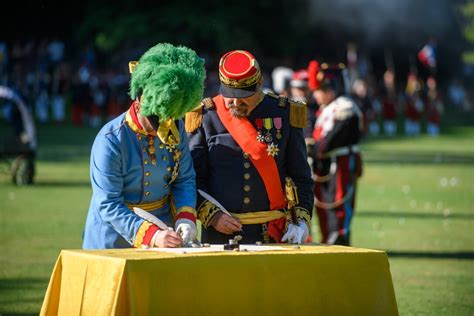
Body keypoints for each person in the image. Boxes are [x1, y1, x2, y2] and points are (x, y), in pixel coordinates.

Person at [82, 43, 206, 249]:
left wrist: (185, 217)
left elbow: (184, 178)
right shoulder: (111, 139)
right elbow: (108, 203)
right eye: (158, 117)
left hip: (165, 233)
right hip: (114, 236)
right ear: (138, 104)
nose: (165, 125)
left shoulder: (176, 126)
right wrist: (152, 236)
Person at [186, 50, 314, 244]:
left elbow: (301, 178)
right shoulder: (205, 116)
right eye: (229, 95)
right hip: (219, 235)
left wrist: (301, 222)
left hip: (271, 234)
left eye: (244, 95)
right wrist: (212, 216)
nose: (236, 103)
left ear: (260, 83)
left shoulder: (285, 113)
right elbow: (192, 180)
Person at [308, 62, 363, 246]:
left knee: (338, 208)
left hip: (341, 164)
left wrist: (314, 149)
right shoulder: (327, 109)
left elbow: (328, 142)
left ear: (330, 89)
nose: (315, 94)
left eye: (319, 90)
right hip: (326, 166)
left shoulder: (345, 107)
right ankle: (329, 244)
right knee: (325, 208)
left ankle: (339, 242)